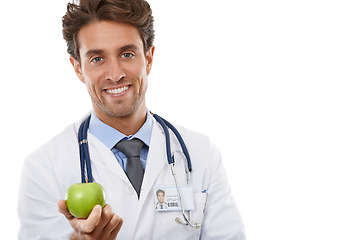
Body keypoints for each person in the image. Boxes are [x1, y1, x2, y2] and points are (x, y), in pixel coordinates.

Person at [17, 0, 246, 239]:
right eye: (97, 59)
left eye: (127, 54)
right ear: (78, 68)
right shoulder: (43, 168)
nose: (115, 74)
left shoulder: (201, 154)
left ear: (148, 58)